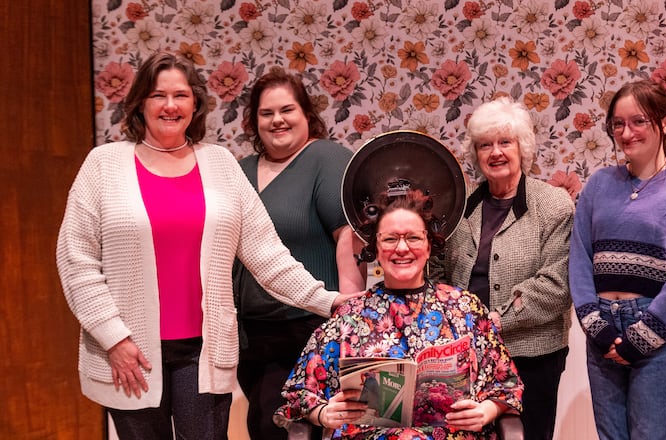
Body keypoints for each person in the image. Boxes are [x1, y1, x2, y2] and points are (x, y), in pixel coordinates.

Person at [55, 52, 355, 440]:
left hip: (204, 353)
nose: (170, 105)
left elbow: (267, 254)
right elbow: (76, 260)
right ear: (140, 103)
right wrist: (113, 337)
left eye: (180, 94)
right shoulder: (104, 165)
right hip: (132, 353)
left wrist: (327, 300)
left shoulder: (220, 165)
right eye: (157, 95)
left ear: (195, 103)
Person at [274, 189, 524, 440]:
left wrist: (487, 411)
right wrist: (324, 414)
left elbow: (506, 386)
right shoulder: (349, 316)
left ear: (428, 246)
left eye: (413, 238)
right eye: (390, 239)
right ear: (376, 249)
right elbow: (298, 395)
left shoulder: (466, 309)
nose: (402, 248)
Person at [569, 79, 666, 440]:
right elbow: (580, 260)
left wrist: (642, 337)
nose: (626, 132)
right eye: (618, 124)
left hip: (660, 341)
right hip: (602, 332)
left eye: (638, 121)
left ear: (664, 124)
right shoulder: (599, 185)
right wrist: (597, 328)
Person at [431, 96, 575, 440]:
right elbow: (436, 267)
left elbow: (557, 284)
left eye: (504, 142)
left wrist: (495, 320)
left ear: (521, 147)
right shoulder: (459, 206)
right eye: (485, 145)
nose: (495, 152)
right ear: (476, 154)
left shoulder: (553, 205)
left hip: (533, 355)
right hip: (464, 353)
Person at [234, 68, 366, 440]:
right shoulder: (239, 171)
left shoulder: (324, 158)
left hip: (305, 329)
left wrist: (352, 317)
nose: (277, 120)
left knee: (282, 426)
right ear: (254, 121)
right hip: (249, 334)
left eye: (287, 110)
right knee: (261, 425)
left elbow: (350, 240)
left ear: (306, 114)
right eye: (266, 113)